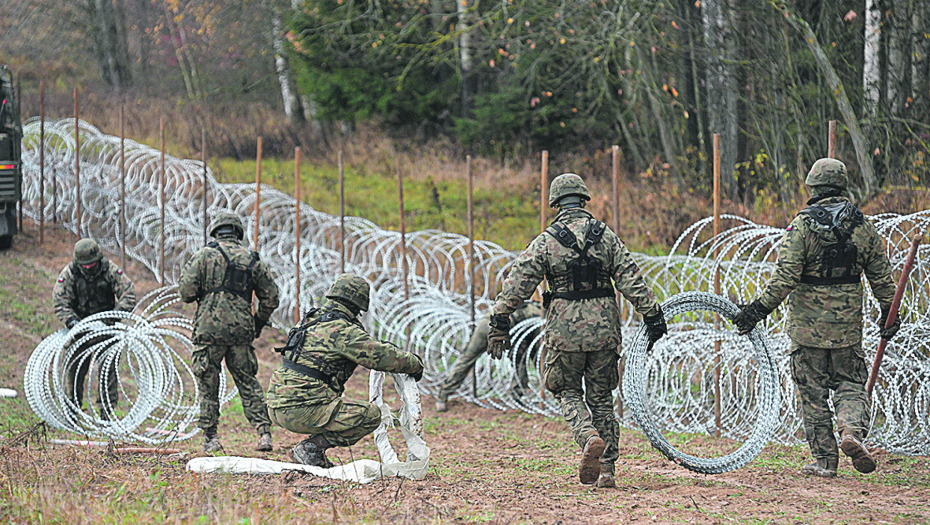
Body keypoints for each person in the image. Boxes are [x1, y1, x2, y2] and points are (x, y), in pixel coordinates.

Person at [488, 173, 667, 488]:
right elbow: (630, 278)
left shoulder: (546, 241)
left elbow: (518, 283)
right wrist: (652, 315)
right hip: (604, 331)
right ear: (584, 200)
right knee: (602, 398)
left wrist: (500, 320)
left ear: (555, 204)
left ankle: (587, 437)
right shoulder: (606, 236)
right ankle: (607, 470)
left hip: (564, 332)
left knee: (567, 391)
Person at [733, 158, 898, 479]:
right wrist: (890, 313)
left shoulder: (803, 226)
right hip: (847, 327)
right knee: (850, 383)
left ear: (813, 187)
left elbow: (785, 278)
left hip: (807, 329)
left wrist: (756, 310)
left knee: (812, 393)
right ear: (842, 186)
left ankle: (825, 461)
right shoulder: (863, 225)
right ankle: (851, 431)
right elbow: (882, 276)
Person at [266, 273, 425, 468]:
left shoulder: (309, 320)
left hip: (275, 405)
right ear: (358, 305)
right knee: (369, 415)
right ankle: (311, 448)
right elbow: (381, 356)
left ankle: (311, 449)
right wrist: (414, 364)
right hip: (300, 409)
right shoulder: (342, 330)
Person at [178, 212, 280, 453]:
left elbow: (186, 292)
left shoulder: (203, 256)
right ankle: (263, 433)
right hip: (240, 331)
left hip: (209, 330)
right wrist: (257, 323)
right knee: (248, 381)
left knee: (208, 384)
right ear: (237, 233)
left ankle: (211, 438)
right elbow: (271, 297)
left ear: (216, 232)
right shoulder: (251, 259)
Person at [53, 238, 136, 415]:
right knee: (73, 372)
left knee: (108, 373)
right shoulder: (70, 273)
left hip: (106, 329)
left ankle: (106, 414)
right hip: (80, 332)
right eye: (85, 266)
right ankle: (72, 412)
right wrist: (73, 322)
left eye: (92, 265)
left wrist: (112, 317)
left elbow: (128, 294)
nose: (89, 268)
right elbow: (60, 302)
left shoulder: (109, 270)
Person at [435, 300, 543, 412]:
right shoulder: (539, 314)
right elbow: (536, 351)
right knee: (519, 362)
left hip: (487, 324)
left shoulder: (522, 303)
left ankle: (443, 395)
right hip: (503, 329)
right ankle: (516, 397)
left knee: (466, 359)